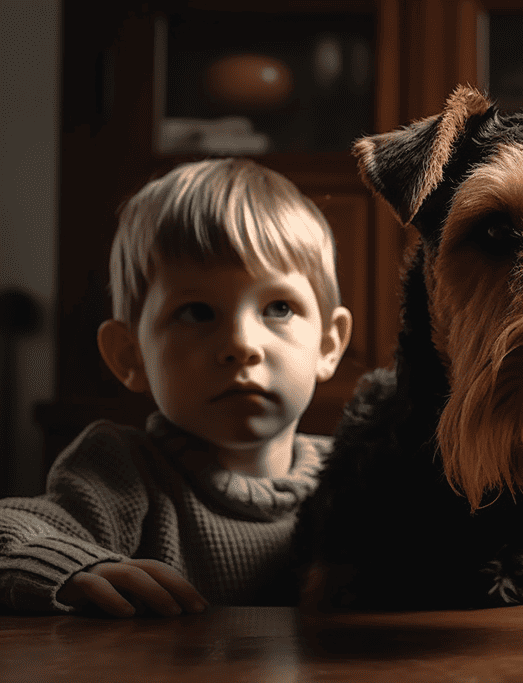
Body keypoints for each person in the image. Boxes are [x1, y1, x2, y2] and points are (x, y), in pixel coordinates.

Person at [0, 158, 352, 616]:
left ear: (328, 344)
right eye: (198, 312)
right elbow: (11, 529)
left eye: (279, 308)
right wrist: (72, 567)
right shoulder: (121, 471)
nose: (242, 345)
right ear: (130, 356)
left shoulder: (356, 477)